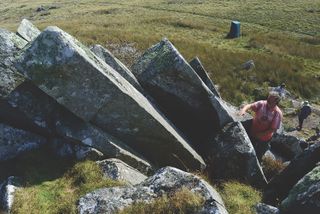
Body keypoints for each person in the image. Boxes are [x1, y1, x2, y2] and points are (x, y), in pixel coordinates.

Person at [239, 91, 283, 161]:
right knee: (245, 150)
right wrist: (243, 110)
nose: (267, 102)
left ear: (276, 102)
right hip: (253, 132)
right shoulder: (262, 103)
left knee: (258, 155)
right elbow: (249, 105)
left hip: (264, 139)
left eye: (270, 101)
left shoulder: (277, 113)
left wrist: (260, 135)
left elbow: (272, 129)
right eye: (268, 99)